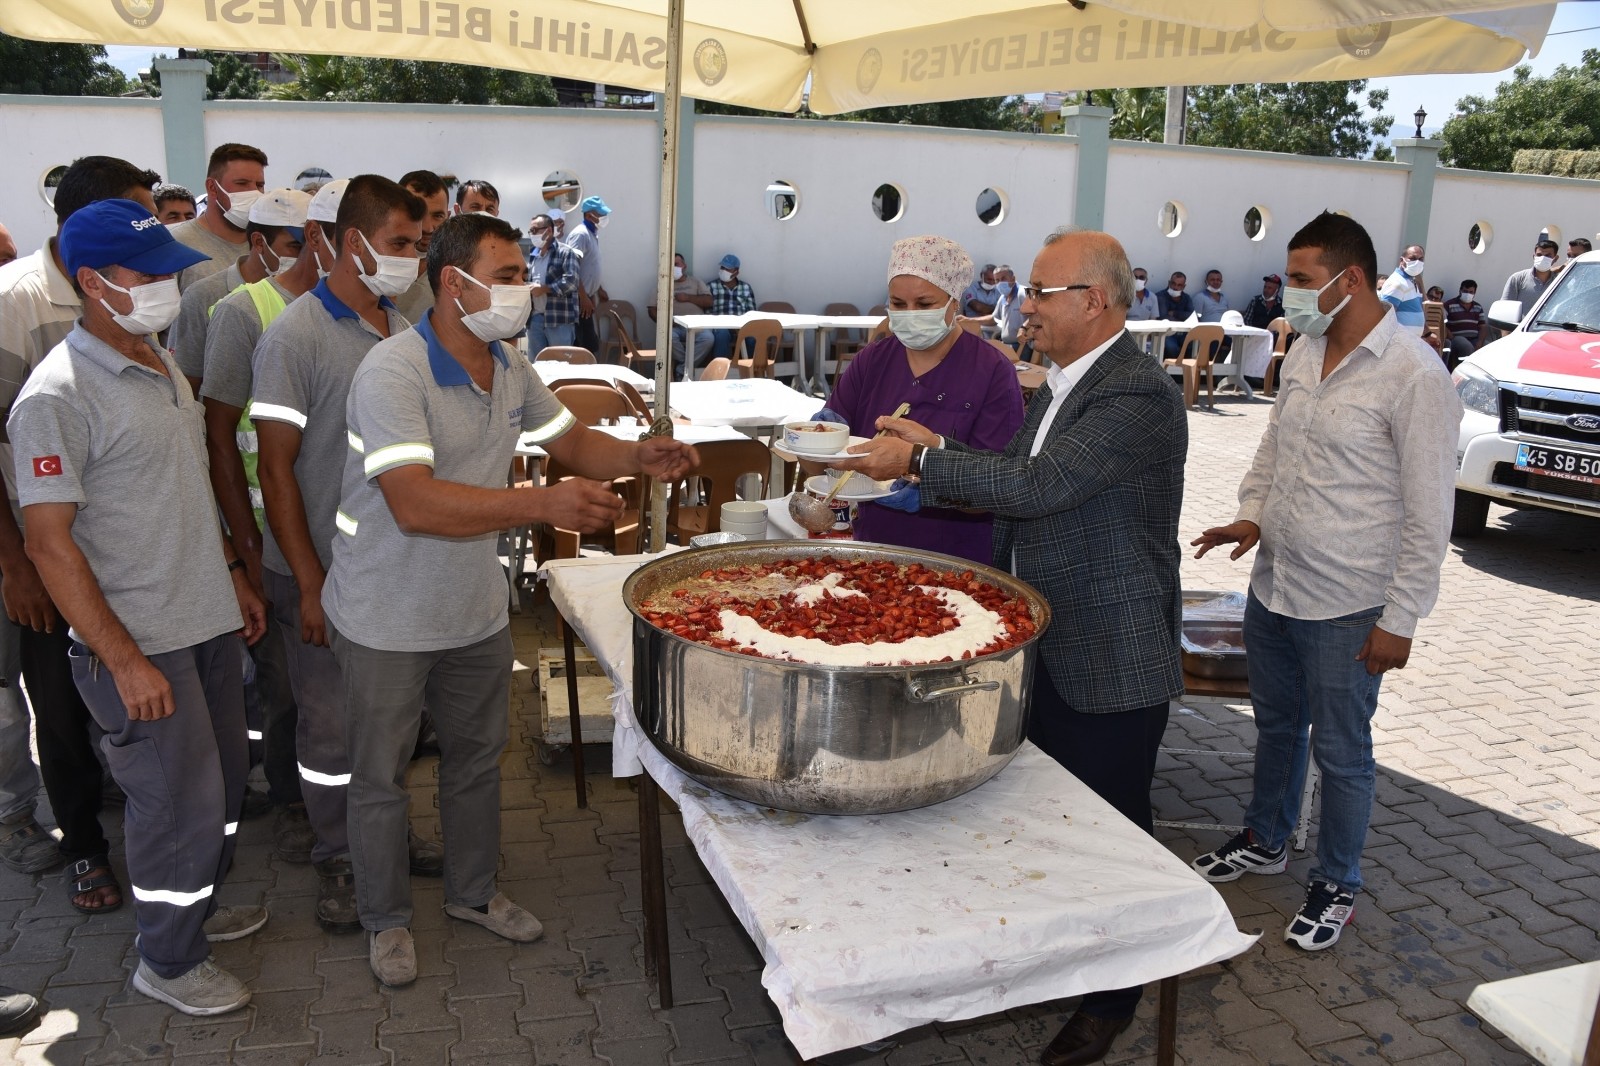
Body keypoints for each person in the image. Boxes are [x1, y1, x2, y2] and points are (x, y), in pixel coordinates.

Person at [837, 228, 1186, 1066]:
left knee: (1115, 835)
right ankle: (1066, 959)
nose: (1023, 305)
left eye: (1039, 291)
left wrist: (921, 467)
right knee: (1046, 823)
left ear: (1092, 302)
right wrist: (933, 452)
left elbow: (1041, 487)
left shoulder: (1134, 393)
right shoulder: (1063, 385)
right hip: (1046, 638)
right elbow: (1012, 472)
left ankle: (1111, 1003)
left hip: (1108, 649)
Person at [322, 213, 700, 986]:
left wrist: (637, 455)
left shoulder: (508, 363)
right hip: (385, 615)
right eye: (504, 275)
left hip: (472, 611)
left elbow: (568, 442)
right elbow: (414, 504)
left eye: (521, 272)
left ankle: (470, 894)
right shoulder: (393, 373)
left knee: (474, 764)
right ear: (452, 282)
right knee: (380, 777)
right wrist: (541, 506)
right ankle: (385, 919)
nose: (521, 289)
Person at [9, 198, 270, 1015]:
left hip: (206, 624)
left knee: (222, 790)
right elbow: (50, 545)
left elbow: (185, 486)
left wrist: (231, 568)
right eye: (146, 274)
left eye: (169, 271)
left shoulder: (158, 362)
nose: (167, 285)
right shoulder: (55, 395)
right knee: (173, 807)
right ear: (92, 283)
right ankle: (166, 959)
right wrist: (121, 659)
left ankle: (194, 906)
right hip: (141, 644)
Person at [1190, 211, 1461, 955]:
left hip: (1351, 604)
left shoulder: (1414, 374)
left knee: (1344, 751)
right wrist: (1251, 517)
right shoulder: (1306, 351)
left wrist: (1401, 618)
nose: (1290, 296)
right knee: (1277, 727)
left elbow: (1430, 511)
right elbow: (1275, 449)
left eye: (1303, 281)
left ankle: (1337, 880)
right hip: (1275, 587)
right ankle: (1268, 838)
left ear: (1351, 279)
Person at [252, 175, 442, 932]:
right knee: (328, 729)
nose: (411, 260)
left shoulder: (402, 330)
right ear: (351, 240)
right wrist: (306, 582)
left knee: (390, 720)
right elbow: (274, 470)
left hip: (386, 571)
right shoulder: (292, 338)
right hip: (318, 572)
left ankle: (383, 837)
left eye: (419, 245)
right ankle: (339, 857)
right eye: (400, 244)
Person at [0, 155, 159, 903]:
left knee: (120, 695)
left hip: (127, 550)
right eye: (139, 214)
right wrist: (18, 564)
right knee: (59, 706)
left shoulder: (136, 296)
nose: (152, 231)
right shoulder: (16, 302)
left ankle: (137, 816)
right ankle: (86, 849)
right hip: (49, 553)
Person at [199, 187, 331, 864]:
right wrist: (244, 551)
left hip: (337, 541)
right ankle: (292, 805)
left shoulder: (371, 315)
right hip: (272, 543)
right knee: (286, 691)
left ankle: (337, 810)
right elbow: (218, 438)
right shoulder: (241, 314)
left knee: (331, 695)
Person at [819, 236, 1025, 565]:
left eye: (925, 304)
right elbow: (831, 446)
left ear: (954, 302)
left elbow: (1003, 482)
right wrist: (822, 438)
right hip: (874, 550)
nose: (909, 315)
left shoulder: (992, 371)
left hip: (959, 560)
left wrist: (924, 473)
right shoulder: (873, 360)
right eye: (898, 304)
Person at [170, 189, 311, 396]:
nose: (307, 256)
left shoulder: (313, 293)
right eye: (296, 247)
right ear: (259, 242)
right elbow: (187, 384)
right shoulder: (205, 295)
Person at [167, 143, 269, 291]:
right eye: (242, 183)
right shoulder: (177, 243)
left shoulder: (269, 242)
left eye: (259, 185)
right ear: (212, 187)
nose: (254, 192)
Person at [394, 170, 451, 323]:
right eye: (418, 214)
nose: (428, 227)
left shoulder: (457, 276)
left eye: (438, 216)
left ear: (448, 217)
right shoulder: (375, 267)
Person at [652, 252, 713, 376]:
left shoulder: (695, 282)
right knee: (667, 336)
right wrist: (667, 323)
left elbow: (709, 301)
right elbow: (652, 309)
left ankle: (680, 370)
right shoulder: (662, 284)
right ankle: (685, 367)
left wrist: (688, 298)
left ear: (684, 266)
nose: (673, 268)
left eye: (676, 264)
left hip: (697, 326)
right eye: (670, 265)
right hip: (675, 327)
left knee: (709, 338)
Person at [525, 213, 575, 354]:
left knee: (562, 365)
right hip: (535, 320)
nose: (532, 234)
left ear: (549, 230)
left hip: (558, 320)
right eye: (530, 231)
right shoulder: (533, 255)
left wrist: (544, 289)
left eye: (535, 230)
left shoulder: (565, 252)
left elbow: (571, 282)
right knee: (536, 367)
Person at [567, 196, 611, 355]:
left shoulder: (592, 234)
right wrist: (584, 297)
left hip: (586, 297)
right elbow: (572, 268)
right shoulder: (581, 234)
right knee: (584, 347)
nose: (603, 218)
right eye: (600, 214)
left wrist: (597, 290)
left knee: (588, 345)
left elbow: (590, 267)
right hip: (578, 300)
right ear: (589, 215)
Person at [708, 252, 756, 360]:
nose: (723, 270)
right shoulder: (711, 286)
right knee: (722, 334)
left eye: (727, 269)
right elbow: (707, 311)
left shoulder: (746, 287)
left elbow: (752, 312)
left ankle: (752, 371)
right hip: (720, 325)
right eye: (722, 267)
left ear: (736, 272)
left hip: (742, 325)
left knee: (752, 338)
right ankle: (720, 371)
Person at [1501, 238, 1561, 319]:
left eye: (1548, 256)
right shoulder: (1517, 278)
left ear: (1555, 258)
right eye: (1539, 255)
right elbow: (1505, 309)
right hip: (1520, 330)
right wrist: (1506, 332)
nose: (1543, 258)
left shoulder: (1560, 282)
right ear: (1534, 256)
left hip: (1548, 330)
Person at [1378, 244, 1426, 336]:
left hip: (1411, 341)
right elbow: (1385, 317)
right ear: (1401, 260)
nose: (1417, 262)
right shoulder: (1397, 283)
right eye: (1413, 258)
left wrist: (1427, 334)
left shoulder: (1412, 281)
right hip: (1398, 342)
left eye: (1420, 259)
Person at [1157, 271, 1194, 358]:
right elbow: (1164, 317)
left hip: (1184, 332)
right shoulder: (1161, 296)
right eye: (1173, 283)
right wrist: (1183, 319)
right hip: (1167, 333)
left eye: (1179, 285)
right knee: (1172, 348)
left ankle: (1186, 368)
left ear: (1184, 286)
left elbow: (1191, 316)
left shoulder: (1186, 298)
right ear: (1169, 283)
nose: (1175, 287)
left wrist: (1175, 313)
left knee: (1194, 344)